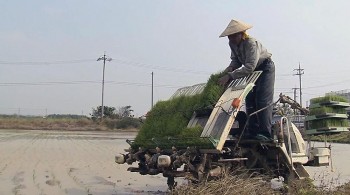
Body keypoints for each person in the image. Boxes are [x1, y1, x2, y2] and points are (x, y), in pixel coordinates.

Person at [218, 19, 275, 140]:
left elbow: (249, 66)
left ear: (241, 34)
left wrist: (230, 76)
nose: (231, 39)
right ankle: (252, 132)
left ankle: (265, 133)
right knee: (249, 99)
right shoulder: (232, 44)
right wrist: (230, 68)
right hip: (252, 71)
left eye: (234, 36)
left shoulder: (251, 43)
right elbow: (236, 60)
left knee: (262, 99)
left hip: (265, 68)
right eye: (229, 37)